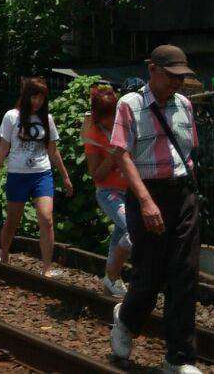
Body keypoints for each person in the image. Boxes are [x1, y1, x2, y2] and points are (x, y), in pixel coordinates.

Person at [109, 44, 203, 374]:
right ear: (153, 70)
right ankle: (125, 319)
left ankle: (179, 358)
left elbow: (188, 152)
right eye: (172, 76)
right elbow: (121, 154)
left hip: (182, 194)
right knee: (149, 275)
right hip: (146, 194)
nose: (178, 82)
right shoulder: (129, 105)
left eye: (182, 77)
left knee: (184, 274)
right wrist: (146, 200)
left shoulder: (185, 105)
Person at [0, 77, 74, 277]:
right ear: (26, 96)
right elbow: (3, 147)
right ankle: (4, 253)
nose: (37, 102)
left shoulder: (47, 119)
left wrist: (65, 176)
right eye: (34, 97)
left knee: (46, 218)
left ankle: (46, 268)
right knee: (13, 220)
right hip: (18, 175)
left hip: (42, 174)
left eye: (41, 98)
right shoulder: (11, 116)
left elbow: (53, 151)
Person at [83, 82, 132, 298]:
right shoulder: (94, 135)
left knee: (120, 237)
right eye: (107, 117)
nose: (111, 121)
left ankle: (109, 287)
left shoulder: (125, 125)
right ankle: (112, 276)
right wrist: (113, 155)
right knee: (132, 229)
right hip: (108, 192)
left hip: (130, 192)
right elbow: (96, 175)